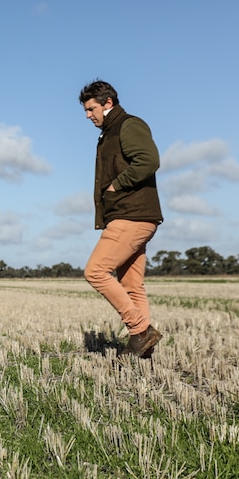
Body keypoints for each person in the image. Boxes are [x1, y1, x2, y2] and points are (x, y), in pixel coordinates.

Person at [79, 80, 164, 358]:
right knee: (131, 285)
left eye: (91, 109)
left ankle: (140, 331)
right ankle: (144, 350)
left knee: (95, 271)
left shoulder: (128, 125)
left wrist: (116, 185)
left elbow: (148, 160)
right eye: (86, 110)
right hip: (132, 214)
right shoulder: (109, 133)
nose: (88, 115)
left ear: (108, 103)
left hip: (132, 215)